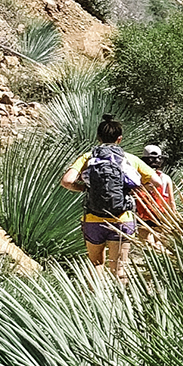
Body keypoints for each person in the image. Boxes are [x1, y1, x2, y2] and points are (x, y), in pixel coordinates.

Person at [61, 114, 154, 277]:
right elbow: (157, 182)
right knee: (119, 270)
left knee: (96, 264)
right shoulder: (129, 159)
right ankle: (120, 302)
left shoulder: (87, 158)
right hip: (122, 219)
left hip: (93, 219)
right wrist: (135, 191)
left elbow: (67, 181)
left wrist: (84, 189)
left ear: (98, 138)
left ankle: (93, 301)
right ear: (119, 139)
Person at [134, 141, 177, 231]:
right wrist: (173, 216)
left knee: (145, 240)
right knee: (160, 240)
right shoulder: (165, 178)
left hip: (143, 214)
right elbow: (171, 201)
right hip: (160, 214)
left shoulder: (139, 177)